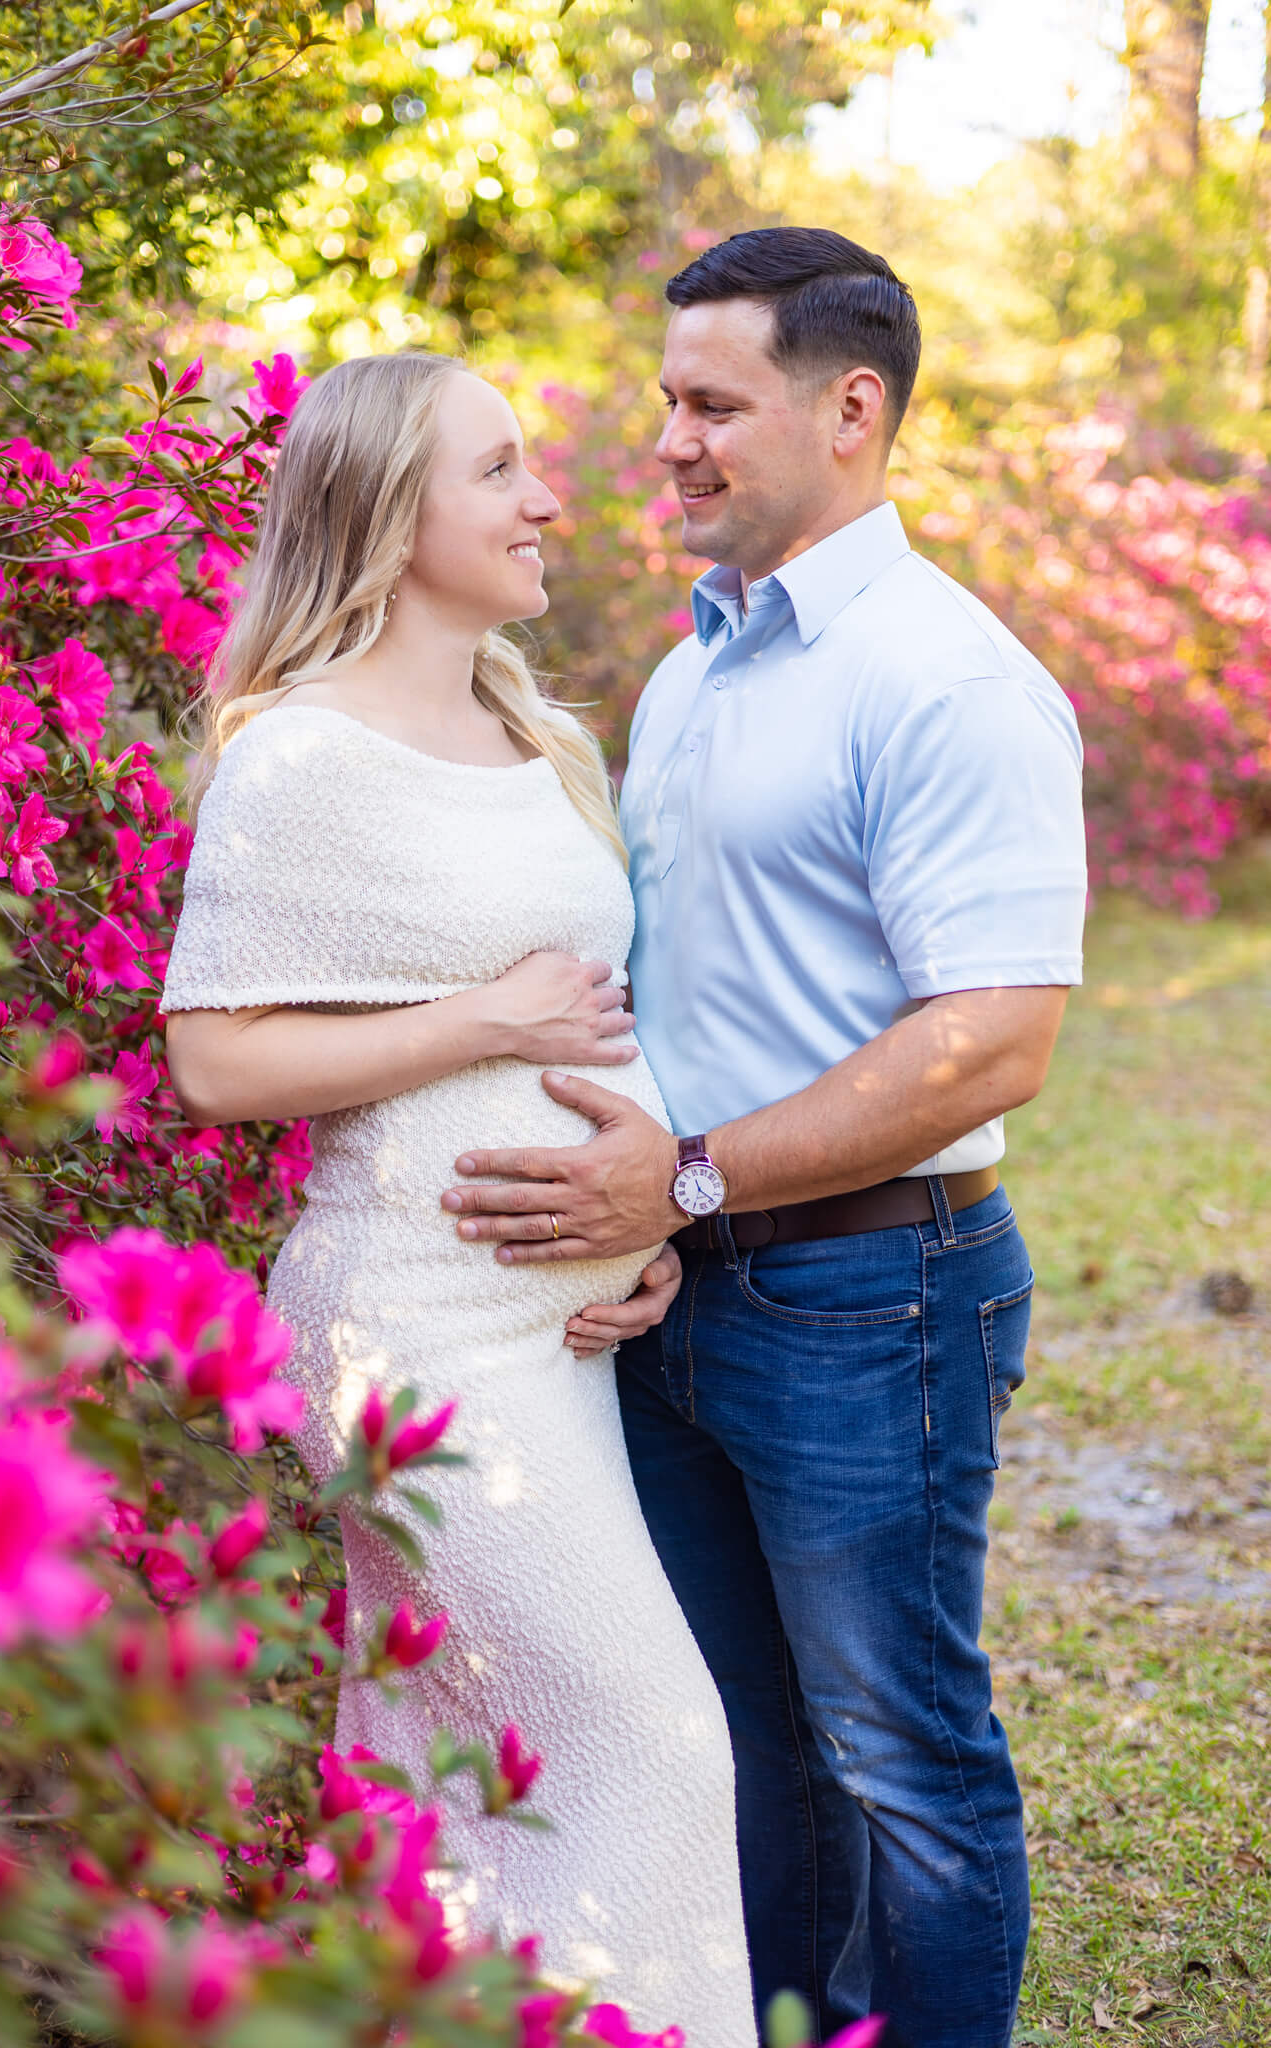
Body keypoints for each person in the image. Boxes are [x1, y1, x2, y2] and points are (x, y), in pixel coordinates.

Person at [439, 228, 1089, 2048]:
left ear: (852, 409)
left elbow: (992, 1041)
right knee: (742, 1744)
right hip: (682, 1294)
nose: (667, 440)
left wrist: (696, 1172)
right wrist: (659, 1205)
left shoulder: (944, 680)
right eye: (667, 400)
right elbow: (687, 993)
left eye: (712, 402)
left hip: (879, 1291)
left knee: (899, 1758)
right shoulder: (698, 671)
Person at [159, 351, 754, 2043]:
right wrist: (482, 1023)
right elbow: (213, 1060)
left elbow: (603, 1023)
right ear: (385, 512)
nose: (547, 497)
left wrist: (641, 1226)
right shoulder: (302, 757)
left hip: (554, 1325)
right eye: (497, 471)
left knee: (454, 1765)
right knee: (647, 1733)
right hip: (411, 1330)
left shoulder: (532, 728)